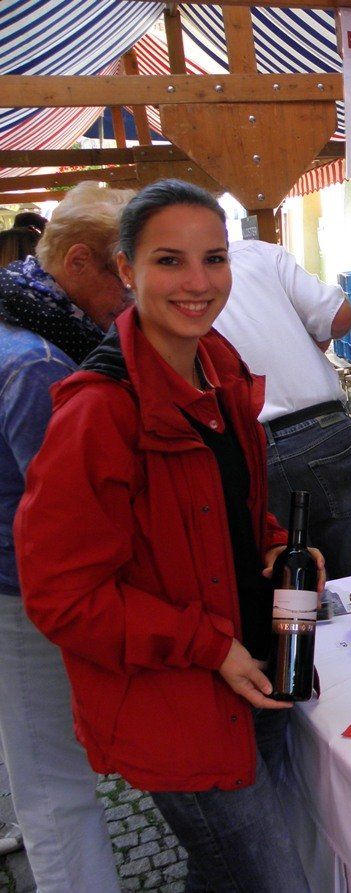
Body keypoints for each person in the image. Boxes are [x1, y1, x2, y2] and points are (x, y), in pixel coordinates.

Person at [15, 179, 320, 891]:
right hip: (177, 705)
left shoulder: (218, 366)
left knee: (224, 874)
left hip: (253, 666)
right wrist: (208, 646)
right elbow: (62, 598)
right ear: (126, 269)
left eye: (213, 258)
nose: (197, 282)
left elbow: (229, 505)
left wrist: (272, 543)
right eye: (169, 260)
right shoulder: (96, 413)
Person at [0, 181, 133, 893]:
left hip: (18, 581)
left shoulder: (27, 321)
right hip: (19, 591)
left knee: (41, 766)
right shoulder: (40, 362)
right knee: (55, 787)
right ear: (78, 261)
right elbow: (68, 514)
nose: (132, 292)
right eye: (123, 270)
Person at [214, 237, 351, 580]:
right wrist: (310, 341)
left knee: (289, 588)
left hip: (247, 446)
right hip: (319, 429)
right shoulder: (256, 253)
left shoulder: (166, 287)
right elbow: (339, 316)